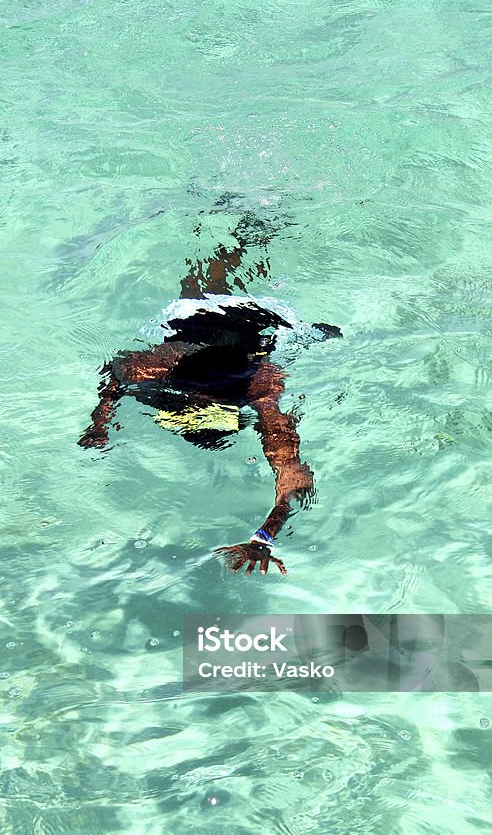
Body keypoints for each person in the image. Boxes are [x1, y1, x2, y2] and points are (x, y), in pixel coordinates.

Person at [78, 216, 341, 576]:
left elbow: (292, 475)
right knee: (207, 278)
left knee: (221, 276)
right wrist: (100, 422)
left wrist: (101, 422)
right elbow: (117, 372)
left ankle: (250, 230)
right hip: (203, 320)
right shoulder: (167, 372)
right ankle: (246, 229)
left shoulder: (259, 384)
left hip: (256, 326)